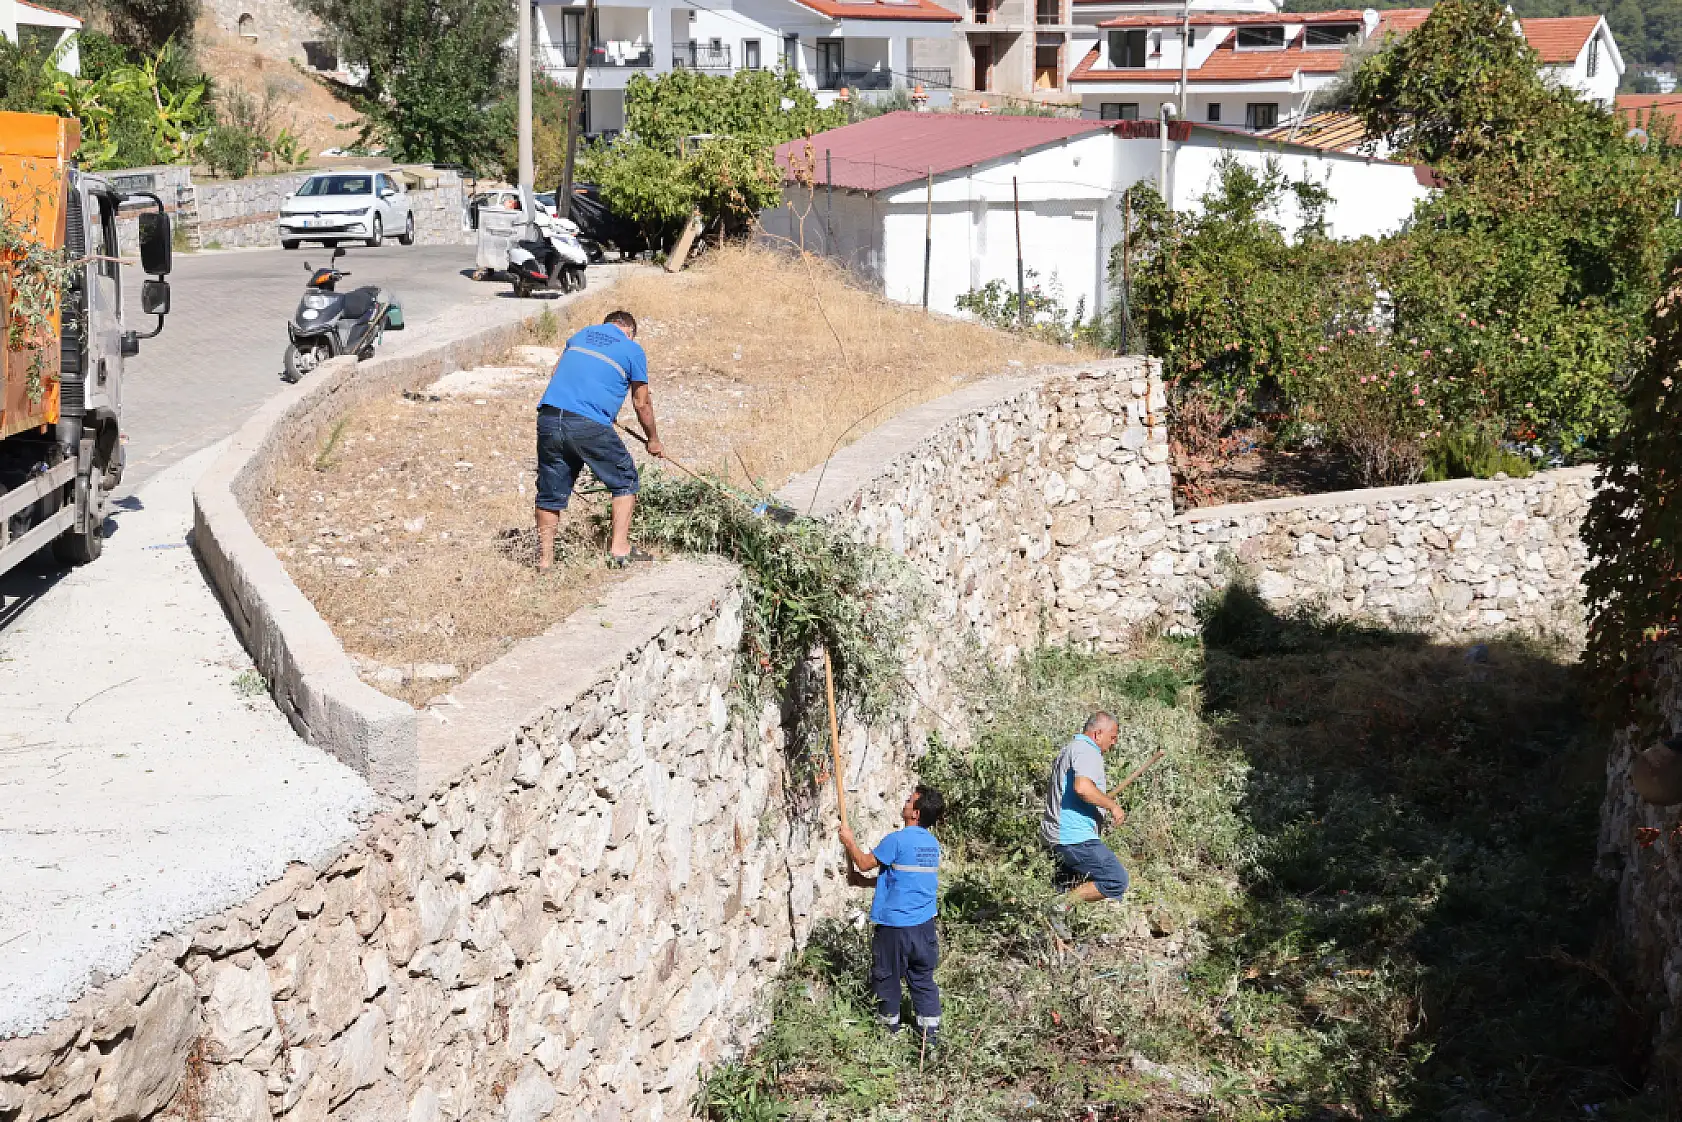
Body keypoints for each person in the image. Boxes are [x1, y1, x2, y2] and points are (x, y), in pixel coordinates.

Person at [534, 310, 663, 571]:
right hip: (587, 423)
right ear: (629, 331)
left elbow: (557, 373)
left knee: (550, 491)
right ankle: (619, 549)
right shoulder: (632, 349)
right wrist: (653, 440)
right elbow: (642, 402)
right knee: (625, 477)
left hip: (549, 416)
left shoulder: (581, 335)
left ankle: (545, 561)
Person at [838, 785, 946, 1049]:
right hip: (924, 928)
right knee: (922, 980)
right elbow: (907, 880)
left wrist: (848, 841)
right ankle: (930, 1041)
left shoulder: (897, 840)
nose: (906, 803)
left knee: (886, 978)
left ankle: (889, 1037)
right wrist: (863, 884)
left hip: (895, 928)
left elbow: (864, 862)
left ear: (916, 813)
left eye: (910, 801)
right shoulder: (932, 846)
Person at [1041, 712, 1130, 904]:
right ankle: (1059, 907)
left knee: (1064, 886)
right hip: (1074, 838)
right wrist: (1112, 806)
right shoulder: (1087, 750)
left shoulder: (1070, 749)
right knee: (1115, 879)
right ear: (1098, 734)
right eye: (1113, 737)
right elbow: (1082, 787)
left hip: (1058, 836)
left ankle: (1051, 922)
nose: (1114, 742)